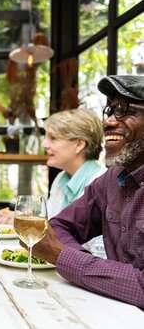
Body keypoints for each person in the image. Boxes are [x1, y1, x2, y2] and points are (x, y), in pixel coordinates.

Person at [33, 75, 144, 309]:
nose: (108, 122)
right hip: (112, 312)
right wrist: (88, 268)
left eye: (125, 110)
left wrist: (66, 258)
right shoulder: (110, 180)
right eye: (110, 110)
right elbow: (59, 226)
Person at [42, 108, 107, 257]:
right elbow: (48, 228)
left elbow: (100, 254)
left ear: (79, 145)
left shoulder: (102, 183)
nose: (44, 144)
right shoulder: (60, 179)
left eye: (53, 138)